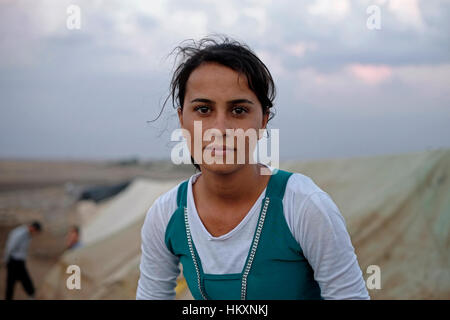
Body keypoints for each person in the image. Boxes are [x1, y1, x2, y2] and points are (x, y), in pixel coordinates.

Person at [136, 36, 370, 300]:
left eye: (238, 110)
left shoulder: (303, 206)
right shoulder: (167, 215)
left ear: (263, 120)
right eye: (203, 109)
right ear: (182, 118)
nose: (220, 129)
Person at [3, 221, 42, 300]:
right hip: (14, 261)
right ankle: (31, 294)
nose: (35, 234)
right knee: (14, 281)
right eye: (36, 232)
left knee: (21, 280)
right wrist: (6, 260)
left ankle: (31, 294)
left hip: (19, 261)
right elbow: (10, 247)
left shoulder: (28, 235)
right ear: (33, 228)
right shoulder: (20, 233)